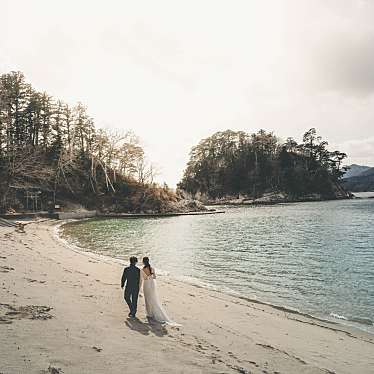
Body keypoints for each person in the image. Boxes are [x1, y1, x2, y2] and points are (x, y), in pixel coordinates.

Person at [140, 257, 180, 326]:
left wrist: (139, 288)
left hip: (146, 285)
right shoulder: (152, 268)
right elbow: (154, 277)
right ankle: (153, 313)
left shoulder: (142, 270)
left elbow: (142, 279)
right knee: (153, 298)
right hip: (152, 284)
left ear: (143, 262)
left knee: (147, 299)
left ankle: (149, 313)